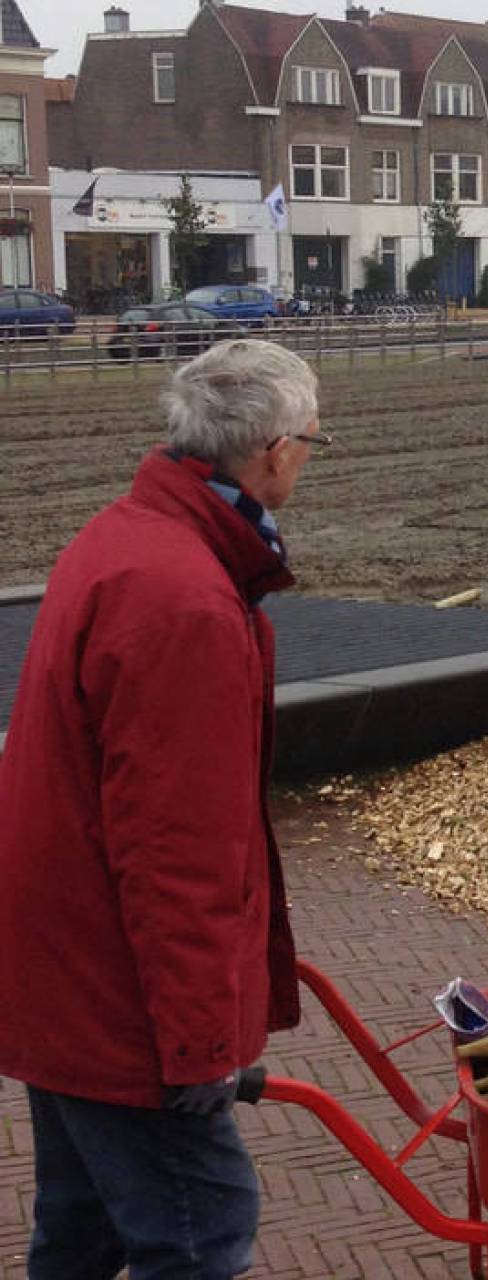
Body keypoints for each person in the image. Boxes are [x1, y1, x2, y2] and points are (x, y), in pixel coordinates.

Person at [0, 339, 319, 1279]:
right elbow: (176, 851)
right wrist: (199, 1043)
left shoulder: (124, 536)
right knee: (199, 1230)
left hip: (63, 968)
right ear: (274, 453)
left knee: (83, 1229)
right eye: (312, 440)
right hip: (118, 998)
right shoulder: (186, 603)